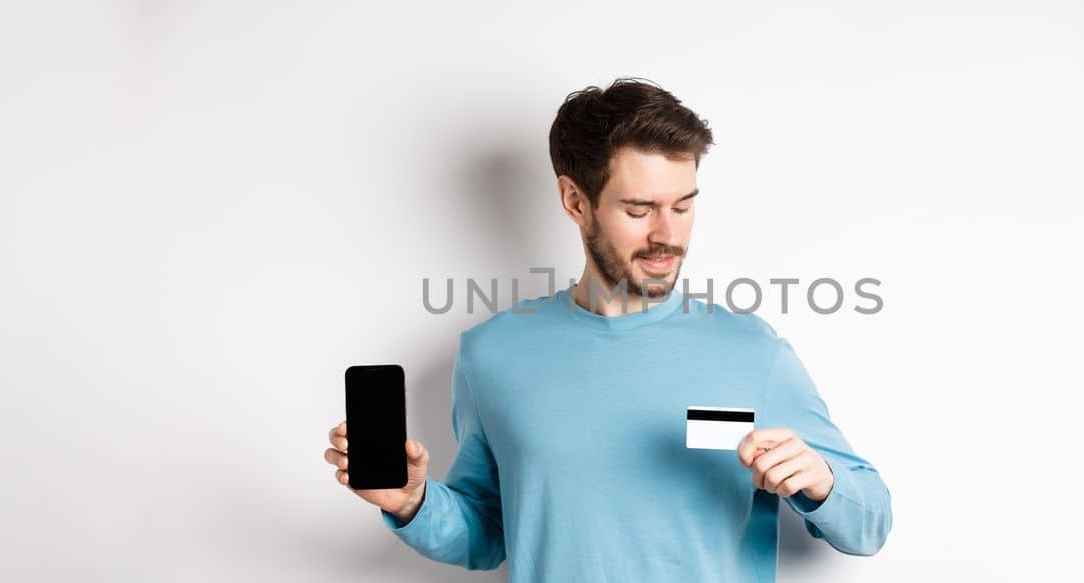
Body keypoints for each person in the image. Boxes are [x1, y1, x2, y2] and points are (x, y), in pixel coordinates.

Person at [323, 77, 892, 582]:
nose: (668, 235)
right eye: (640, 210)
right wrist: (413, 503)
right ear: (575, 200)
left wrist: (820, 480)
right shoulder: (492, 354)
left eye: (684, 205)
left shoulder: (752, 351)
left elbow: (870, 523)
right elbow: (489, 533)